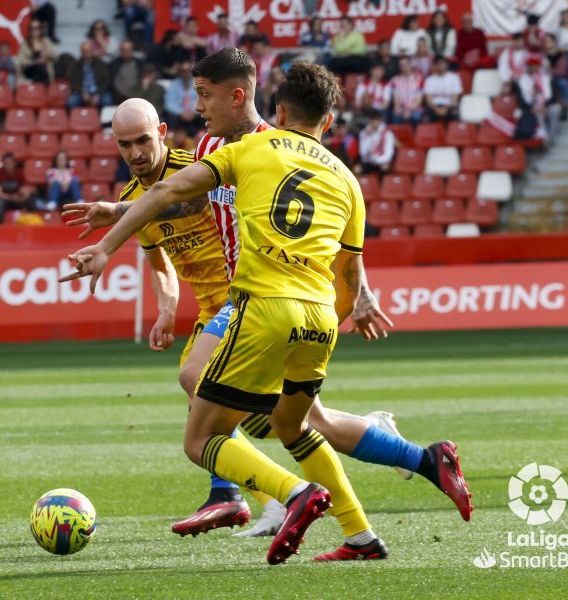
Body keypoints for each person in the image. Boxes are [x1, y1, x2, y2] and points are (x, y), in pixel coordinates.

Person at [61, 64, 472, 565]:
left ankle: (276, 495)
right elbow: (341, 251)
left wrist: (112, 231)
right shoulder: (329, 171)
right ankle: (384, 501)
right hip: (308, 309)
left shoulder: (254, 147)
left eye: (205, 95)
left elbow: (175, 195)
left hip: (255, 299)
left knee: (198, 388)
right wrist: (357, 296)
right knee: (295, 423)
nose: (198, 107)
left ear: (256, 104)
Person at [517, 55, 561, 142]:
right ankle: (545, 138)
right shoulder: (522, 80)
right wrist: (531, 107)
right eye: (531, 66)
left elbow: (552, 96)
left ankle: (552, 136)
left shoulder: (545, 78)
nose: (533, 68)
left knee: (556, 109)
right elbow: (521, 99)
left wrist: (545, 105)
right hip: (530, 107)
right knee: (537, 113)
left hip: (545, 104)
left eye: (535, 66)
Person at [67, 41, 112, 109]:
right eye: (84, 51)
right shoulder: (75, 66)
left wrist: (98, 94)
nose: (86, 53)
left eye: (88, 51)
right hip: (81, 92)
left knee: (107, 101)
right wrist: (82, 93)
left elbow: (105, 81)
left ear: (92, 51)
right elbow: (74, 83)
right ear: (81, 52)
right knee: (71, 102)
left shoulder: (101, 64)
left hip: (99, 91)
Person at [164, 61, 203, 137]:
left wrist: (194, 112)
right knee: (170, 116)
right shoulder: (174, 84)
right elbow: (168, 104)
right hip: (179, 116)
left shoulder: (199, 83)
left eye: (187, 70)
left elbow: (203, 101)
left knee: (204, 114)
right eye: (183, 71)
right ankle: (172, 137)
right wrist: (181, 113)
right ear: (180, 72)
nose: (185, 74)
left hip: (195, 115)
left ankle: (202, 136)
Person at [0, 152, 33, 223]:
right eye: (6, 163)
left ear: (14, 163)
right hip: (4, 199)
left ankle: (32, 222)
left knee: (31, 199)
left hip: (16, 199)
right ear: (3, 163)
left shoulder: (20, 173)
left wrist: (23, 197)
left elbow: (24, 190)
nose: (8, 165)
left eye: (10, 163)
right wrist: (11, 197)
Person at [423, 55, 462, 122]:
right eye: (438, 63)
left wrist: (446, 108)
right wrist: (436, 109)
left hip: (449, 106)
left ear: (446, 65)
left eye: (442, 63)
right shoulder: (429, 80)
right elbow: (428, 98)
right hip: (434, 106)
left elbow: (455, 97)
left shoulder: (454, 77)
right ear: (435, 65)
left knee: (455, 115)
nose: (440, 65)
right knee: (425, 118)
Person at [358, 109, 396, 174]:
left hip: (381, 161)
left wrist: (377, 160)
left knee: (385, 167)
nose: (374, 123)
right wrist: (369, 136)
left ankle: (384, 180)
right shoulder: (364, 133)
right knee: (357, 169)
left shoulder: (388, 134)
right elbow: (363, 151)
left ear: (380, 120)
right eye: (372, 121)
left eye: (375, 120)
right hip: (368, 161)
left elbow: (389, 153)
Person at [390, 56, 424, 125]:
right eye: (401, 65)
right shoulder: (395, 80)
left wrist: (409, 110)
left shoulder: (419, 79)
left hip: (415, 108)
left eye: (406, 64)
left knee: (415, 117)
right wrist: (399, 108)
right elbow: (396, 99)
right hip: (401, 108)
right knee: (396, 115)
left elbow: (418, 101)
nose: (404, 67)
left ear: (410, 64)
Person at [109, 40, 144, 105]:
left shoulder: (139, 63)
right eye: (123, 50)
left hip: (137, 94)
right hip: (119, 96)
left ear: (131, 51)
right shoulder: (114, 64)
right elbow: (112, 82)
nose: (125, 53)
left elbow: (142, 80)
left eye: (127, 51)